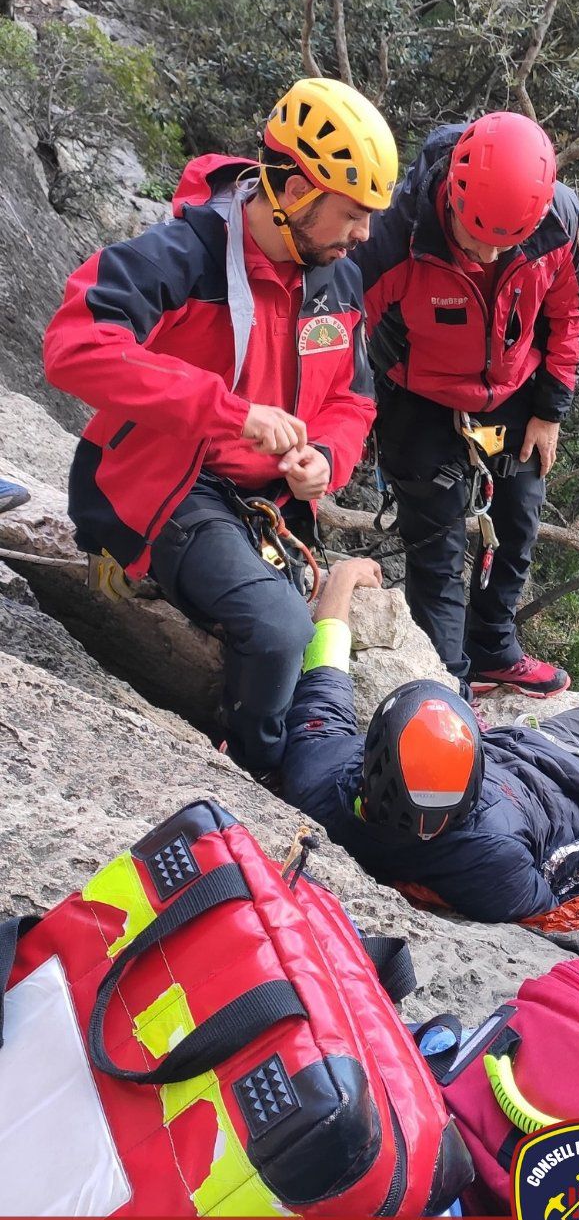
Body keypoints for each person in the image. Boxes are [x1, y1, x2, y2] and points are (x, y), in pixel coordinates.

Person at [42, 77, 399, 775]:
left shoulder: (335, 278)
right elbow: (73, 348)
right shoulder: (187, 253)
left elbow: (354, 401)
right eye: (353, 213)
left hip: (266, 501)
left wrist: (326, 456)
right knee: (277, 633)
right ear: (295, 190)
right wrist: (230, 413)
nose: (364, 235)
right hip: (170, 485)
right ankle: (255, 773)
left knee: (283, 631)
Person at [281, 559, 579, 924]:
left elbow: (324, 673)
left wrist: (343, 578)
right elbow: (566, 908)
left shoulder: (318, 778)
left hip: (540, 746)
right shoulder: (492, 861)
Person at [359, 110, 579, 699]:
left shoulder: (558, 222)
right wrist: (354, 405)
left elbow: (570, 316)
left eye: (503, 243)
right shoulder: (397, 230)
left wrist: (550, 411)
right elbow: (335, 314)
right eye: (474, 237)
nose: (487, 256)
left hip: (514, 392)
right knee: (436, 545)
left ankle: (492, 647)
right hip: (417, 392)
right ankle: (445, 687)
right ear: (454, 196)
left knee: (517, 517)